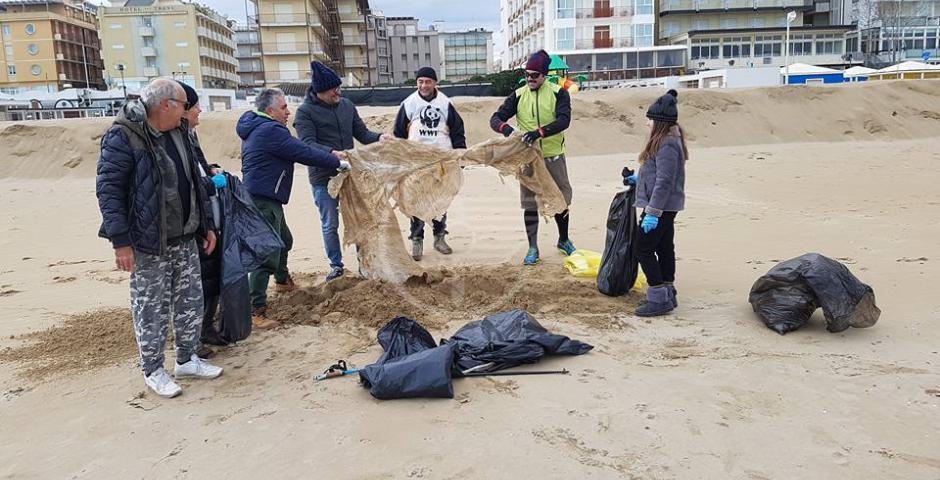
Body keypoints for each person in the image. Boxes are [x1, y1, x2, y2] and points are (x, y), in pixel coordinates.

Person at [96, 77, 223, 398]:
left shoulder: (180, 132)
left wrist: (204, 225)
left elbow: (194, 180)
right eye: (182, 106)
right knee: (150, 307)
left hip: (185, 235)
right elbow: (109, 191)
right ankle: (153, 369)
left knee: (190, 300)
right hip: (149, 240)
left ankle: (187, 358)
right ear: (165, 105)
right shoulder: (123, 136)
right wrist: (120, 241)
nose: (186, 113)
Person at [237, 88, 346, 329]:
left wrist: (329, 152)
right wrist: (337, 161)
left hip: (267, 197)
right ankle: (256, 310)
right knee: (266, 253)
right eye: (284, 107)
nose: (288, 112)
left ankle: (283, 280)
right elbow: (302, 152)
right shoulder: (270, 130)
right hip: (262, 199)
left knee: (284, 240)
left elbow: (298, 148)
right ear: (270, 110)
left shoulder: (259, 127)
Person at [293, 61, 389, 281]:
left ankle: (365, 263)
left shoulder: (347, 105)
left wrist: (379, 137)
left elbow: (362, 134)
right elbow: (307, 144)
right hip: (322, 177)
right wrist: (330, 152)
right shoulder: (305, 113)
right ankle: (336, 266)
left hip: (350, 174)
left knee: (359, 219)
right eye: (334, 89)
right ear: (320, 91)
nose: (339, 92)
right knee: (330, 223)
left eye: (339, 87)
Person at [489, 49, 576, 266]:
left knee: (561, 200)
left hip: (553, 156)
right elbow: (495, 118)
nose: (530, 79)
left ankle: (564, 240)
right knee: (529, 203)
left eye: (534, 75)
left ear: (544, 75)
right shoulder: (518, 95)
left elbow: (564, 120)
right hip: (528, 159)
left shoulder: (558, 93)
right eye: (527, 74)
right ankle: (532, 247)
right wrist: (505, 129)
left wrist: (540, 133)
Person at [174, 81, 229, 352]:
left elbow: (197, 169)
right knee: (193, 283)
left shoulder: (189, 137)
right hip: (189, 223)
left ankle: (206, 328)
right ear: (182, 109)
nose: (200, 111)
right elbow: (185, 182)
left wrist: (210, 172)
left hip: (207, 219)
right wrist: (210, 183)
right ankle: (191, 339)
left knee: (212, 275)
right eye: (195, 106)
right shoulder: (173, 138)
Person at [392, 66, 466, 261]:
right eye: (420, 81)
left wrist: (460, 153)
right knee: (416, 202)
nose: (424, 85)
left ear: (435, 83)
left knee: (439, 201)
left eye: (428, 81)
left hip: (440, 161)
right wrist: (401, 158)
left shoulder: (445, 103)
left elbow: (458, 129)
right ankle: (417, 240)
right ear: (417, 83)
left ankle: (439, 238)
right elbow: (398, 133)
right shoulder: (409, 103)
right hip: (417, 162)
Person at [627, 89, 687, 317]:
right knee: (663, 247)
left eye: (650, 120)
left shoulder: (668, 143)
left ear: (660, 122)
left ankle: (658, 297)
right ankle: (668, 292)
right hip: (664, 206)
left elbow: (665, 180)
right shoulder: (666, 140)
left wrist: (653, 212)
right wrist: (638, 179)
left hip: (661, 207)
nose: (648, 123)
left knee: (642, 249)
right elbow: (655, 174)